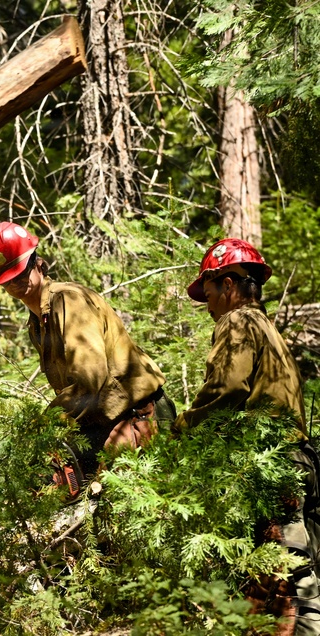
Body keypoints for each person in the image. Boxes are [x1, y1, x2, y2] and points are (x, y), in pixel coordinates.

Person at [176, 238, 320, 635]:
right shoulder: (269, 329)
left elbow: (227, 390)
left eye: (208, 292)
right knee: (297, 581)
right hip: (298, 461)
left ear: (229, 284)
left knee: (286, 586)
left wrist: (183, 427)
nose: (207, 306)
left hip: (270, 467)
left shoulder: (237, 322)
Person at [0, 221, 174, 490]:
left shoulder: (67, 301)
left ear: (36, 262)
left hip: (140, 414)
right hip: (104, 420)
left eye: (20, 271)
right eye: (8, 278)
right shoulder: (37, 322)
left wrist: (45, 423)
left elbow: (91, 379)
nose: (16, 282)